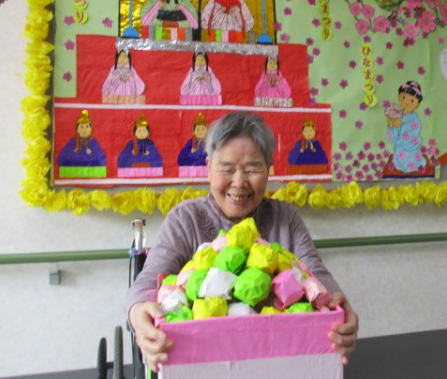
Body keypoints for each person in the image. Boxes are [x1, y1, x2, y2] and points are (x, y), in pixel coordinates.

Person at [125, 111, 358, 372]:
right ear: (208, 167)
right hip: (203, 363)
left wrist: (340, 309)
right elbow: (147, 283)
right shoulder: (185, 219)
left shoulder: (285, 217)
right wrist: (139, 316)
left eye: (252, 168)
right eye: (227, 168)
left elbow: (316, 273)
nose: (239, 182)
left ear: (268, 169)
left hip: (276, 362)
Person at [386, 81, 426, 173]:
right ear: (399, 97)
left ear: (417, 104)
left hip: (410, 150)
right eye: (404, 97)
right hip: (399, 150)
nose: (407, 103)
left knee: (411, 161)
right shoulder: (396, 114)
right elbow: (392, 136)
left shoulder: (414, 119)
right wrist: (391, 124)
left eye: (412, 101)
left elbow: (413, 137)